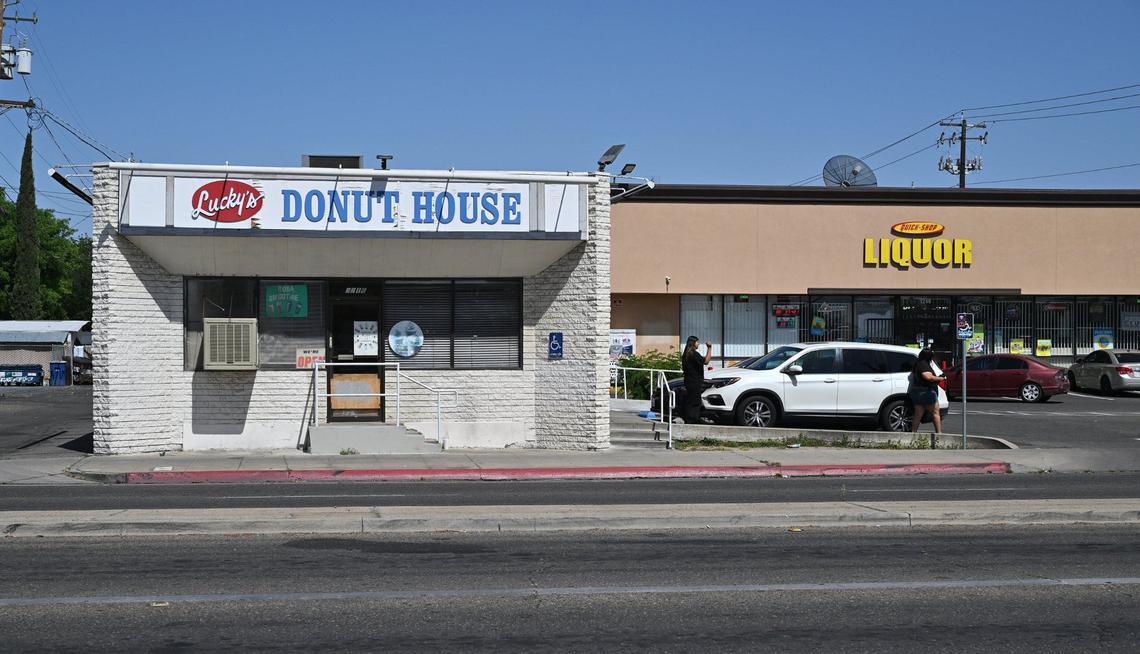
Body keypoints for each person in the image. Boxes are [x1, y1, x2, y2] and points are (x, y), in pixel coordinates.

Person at [909, 348, 946, 438]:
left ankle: (913, 434)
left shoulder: (917, 363)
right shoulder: (924, 364)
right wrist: (940, 378)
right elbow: (928, 377)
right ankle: (939, 434)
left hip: (917, 392)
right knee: (935, 413)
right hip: (926, 391)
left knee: (918, 414)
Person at [681, 335, 713, 423]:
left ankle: (688, 418)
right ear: (693, 343)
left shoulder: (685, 354)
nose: (698, 344)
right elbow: (706, 361)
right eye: (697, 342)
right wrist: (709, 348)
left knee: (690, 401)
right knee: (695, 402)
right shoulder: (694, 354)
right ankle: (692, 420)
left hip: (688, 380)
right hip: (695, 381)